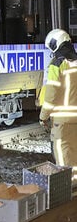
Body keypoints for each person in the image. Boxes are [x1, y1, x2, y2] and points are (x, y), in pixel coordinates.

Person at [39, 29, 77, 183]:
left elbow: (51, 96)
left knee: (63, 158)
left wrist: (43, 116)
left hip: (63, 120)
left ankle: (69, 188)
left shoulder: (57, 64)